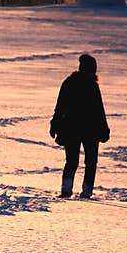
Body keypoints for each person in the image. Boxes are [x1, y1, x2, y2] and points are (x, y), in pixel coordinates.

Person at [49, 54, 110, 199]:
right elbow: (98, 110)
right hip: (90, 130)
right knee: (90, 162)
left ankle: (66, 190)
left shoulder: (69, 82)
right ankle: (86, 192)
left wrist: (54, 125)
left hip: (71, 129)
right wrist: (104, 129)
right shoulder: (92, 85)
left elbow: (60, 107)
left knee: (72, 161)